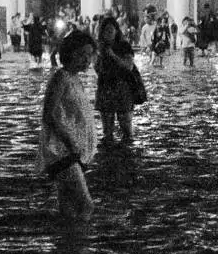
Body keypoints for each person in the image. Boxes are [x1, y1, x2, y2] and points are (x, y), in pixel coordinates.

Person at [40, 29, 97, 220]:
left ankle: (67, 244)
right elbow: (49, 114)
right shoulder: (61, 78)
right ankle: (82, 245)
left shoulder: (74, 79)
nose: (87, 59)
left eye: (90, 54)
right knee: (86, 205)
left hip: (73, 151)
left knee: (69, 207)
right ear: (70, 53)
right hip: (62, 152)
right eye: (82, 54)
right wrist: (70, 141)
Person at [95, 15, 144, 146]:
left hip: (123, 89)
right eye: (105, 31)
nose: (108, 33)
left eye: (111, 30)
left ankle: (126, 157)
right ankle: (109, 159)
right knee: (107, 132)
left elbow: (129, 66)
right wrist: (99, 58)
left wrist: (112, 55)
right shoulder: (100, 48)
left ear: (117, 31)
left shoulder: (124, 46)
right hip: (105, 88)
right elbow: (97, 69)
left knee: (126, 129)